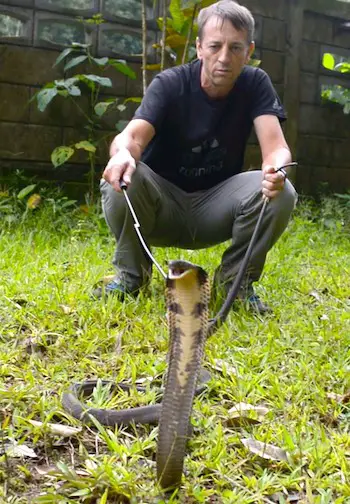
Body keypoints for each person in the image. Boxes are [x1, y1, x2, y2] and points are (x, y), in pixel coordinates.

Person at [96, 0, 297, 314]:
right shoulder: (171, 83)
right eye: (215, 46)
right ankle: (131, 277)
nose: (224, 58)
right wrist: (122, 154)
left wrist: (276, 168)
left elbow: (276, 147)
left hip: (215, 206)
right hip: (160, 204)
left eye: (235, 48)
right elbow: (132, 136)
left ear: (249, 50)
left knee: (282, 192)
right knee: (125, 177)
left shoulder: (255, 83)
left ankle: (235, 286)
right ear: (200, 47)